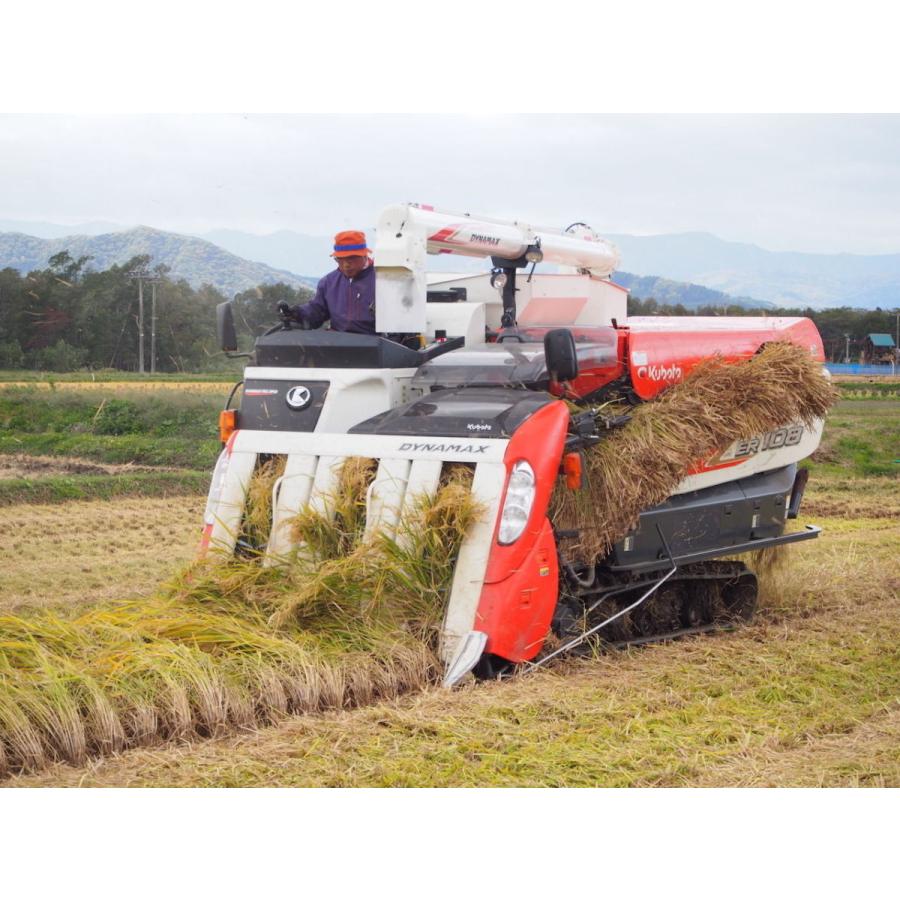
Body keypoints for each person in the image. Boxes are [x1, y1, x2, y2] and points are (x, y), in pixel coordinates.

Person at [288, 230, 376, 334]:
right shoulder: (328, 282)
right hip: (337, 343)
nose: (346, 265)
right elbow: (317, 311)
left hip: (377, 344)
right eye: (340, 260)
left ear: (364, 255)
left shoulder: (383, 280)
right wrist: (297, 313)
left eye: (350, 259)